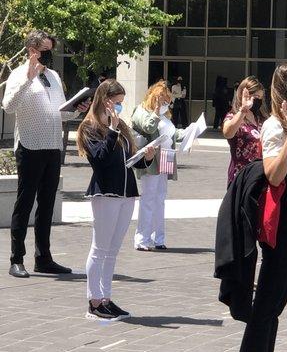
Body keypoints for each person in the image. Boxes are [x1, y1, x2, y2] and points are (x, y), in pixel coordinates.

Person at [2, 30, 90, 278]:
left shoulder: (52, 75)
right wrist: (28, 79)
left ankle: (43, 258)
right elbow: (8, 106)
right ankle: (16, 259)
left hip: (52, 148)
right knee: (25, 202)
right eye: (45, 50)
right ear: (32, 50)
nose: (49, 55)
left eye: (51, 49)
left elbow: (61, 113)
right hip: (30, 146)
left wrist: (77, 110)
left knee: (47, 204)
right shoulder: (18, 75)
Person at [235, 63, 287, 352]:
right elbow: (274, 175)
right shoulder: (277, 126)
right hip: (285, 219)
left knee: (275, 303)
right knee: (267, 304)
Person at [77, 79, 155, 320]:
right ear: (105, 100)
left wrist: (147, 157)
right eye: (117, 102)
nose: (120, 107)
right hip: (106, 193)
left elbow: (129, 161)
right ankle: (94, 301)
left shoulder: (120, 127)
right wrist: (111, 129)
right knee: (100, 248)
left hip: (126, 192)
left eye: (122, 102)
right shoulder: (89, 127)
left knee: (112, 250)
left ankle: (106, 298)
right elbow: (100, 159)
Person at [132, 81, 184, 251]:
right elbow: (148, 127)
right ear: (152, 98)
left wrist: (189, 132)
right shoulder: (141, 111)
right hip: (152, 158)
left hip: (167, 156)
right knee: (148, 198)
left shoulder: (165, 116)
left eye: (167, 101)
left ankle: (158, 238)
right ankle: (142, 239)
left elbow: (172, 133)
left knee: (160, 199)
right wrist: (155, 111)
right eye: (161, 100)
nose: (164, 104)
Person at [223, 76, 267, 186]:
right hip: (241, 176)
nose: (258, 100)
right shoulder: (233, 116)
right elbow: (228, 133)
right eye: (255, 96)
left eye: (260, 97)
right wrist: (243, 110)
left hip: (261, 176)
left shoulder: (262, 118)